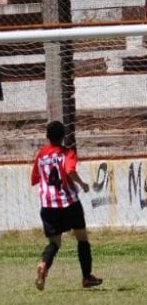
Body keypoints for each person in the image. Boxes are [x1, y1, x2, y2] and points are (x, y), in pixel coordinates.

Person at [31, 121, 102, 290]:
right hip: (68, 203)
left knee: (54, 243)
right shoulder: (67, 153)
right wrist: (82, 184)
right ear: (63, 137)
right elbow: (70, 170)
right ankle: (86, 277)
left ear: (47, 137)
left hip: (48, 206)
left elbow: (34, 179)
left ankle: (44, 265)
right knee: (82, 238)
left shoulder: (40, 156)